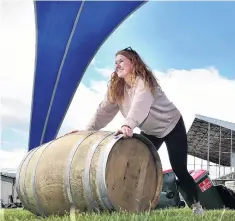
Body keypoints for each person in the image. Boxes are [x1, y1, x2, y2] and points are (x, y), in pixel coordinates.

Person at [69, 47, 204, 215]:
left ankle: (197, 206)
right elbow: (103, 112)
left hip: (172, 125)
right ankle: (133, 205)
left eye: (121, 61)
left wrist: (128, 125)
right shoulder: (117, 89)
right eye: (115, 63)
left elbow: (140, 105)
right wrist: (86, 131)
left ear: (133, 63)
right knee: (134, 165)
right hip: (150, 131)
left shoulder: (145, 82)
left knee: (179, 169)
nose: (117, 65)